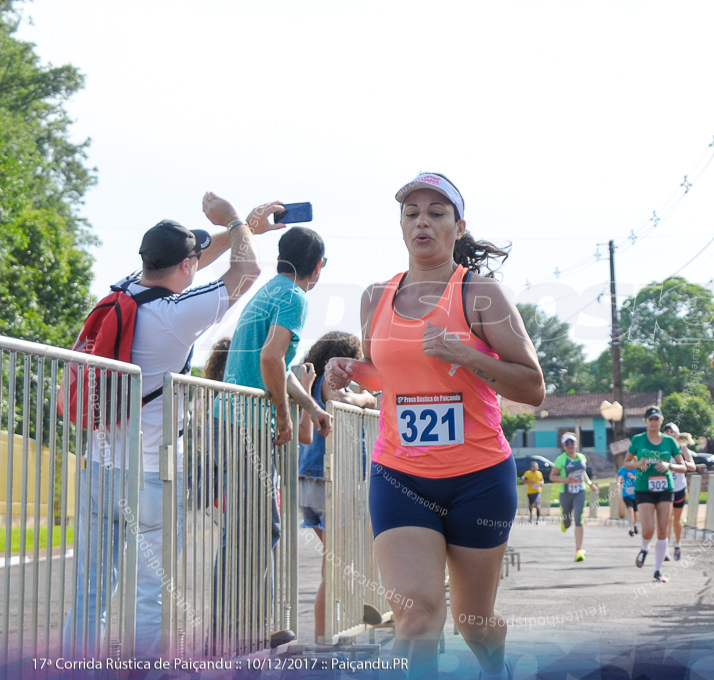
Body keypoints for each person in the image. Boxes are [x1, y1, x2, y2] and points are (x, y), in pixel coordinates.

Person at [325, 172, 545, 680]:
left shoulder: (481, 294)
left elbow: (532, 388)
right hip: (400, 475)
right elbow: (392, 379)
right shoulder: (374, 296)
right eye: (411, 213)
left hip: (478, 479)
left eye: (436, 212)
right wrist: (350, 373)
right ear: (401, 226)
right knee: (416, 615)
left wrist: (464, 354)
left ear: (458, 225)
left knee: (475, 624)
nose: (422, 220)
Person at [63, 193, 285, 659]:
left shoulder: (125, 292)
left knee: (89, 588)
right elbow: (246, 273)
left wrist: (245, 229)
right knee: (149, 589)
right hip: (150, 474)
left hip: (98, 465)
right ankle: (142, 669)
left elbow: (196, 259)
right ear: (187, 265)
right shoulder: (175, 316)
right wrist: (233, 220)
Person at [213, 226, 333, 651]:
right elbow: (270, 358)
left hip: (233, 419)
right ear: (317, 267)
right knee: (259, 527)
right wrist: (285, 414)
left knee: (249, 527)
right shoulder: (295, 297)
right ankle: (240, 629)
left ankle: (241, 625)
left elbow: (278, 365)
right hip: (250, 424)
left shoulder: (270, 290)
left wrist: (311, 407)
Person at [294, 331, 376, 641]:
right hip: (330, 476)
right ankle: (326, 640)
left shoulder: (309, 381)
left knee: (336, 566)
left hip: (313, 476)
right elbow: (341, 398)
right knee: (338, 568)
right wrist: (367, 398)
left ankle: (331, 637)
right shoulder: (332, 380)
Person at [624, 406, 687, 583]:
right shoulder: (638, 440)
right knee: (648, 528)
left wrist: (670, 466)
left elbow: (684, 467)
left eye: (656, 419)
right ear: (645, 421)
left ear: (661, 420)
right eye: (650, 419)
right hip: (644, 488)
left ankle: (657, 571)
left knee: (662, 530)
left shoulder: (670, 442)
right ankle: (644, 548)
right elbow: (626, 462)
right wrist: (637, 464)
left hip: (665, 488)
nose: (653, 422)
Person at [549, 432, 600, 562]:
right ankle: (565, 522)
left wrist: (590, 484)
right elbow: (552, 477)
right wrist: (566, 479)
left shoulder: (582, 457)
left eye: (572, 442)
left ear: (576, 444)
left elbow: (582, 472)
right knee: (567, 520)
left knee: (579, 517)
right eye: (567, 443)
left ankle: (578, 551)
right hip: (565, 492)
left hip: (580, 492)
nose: (570, 445)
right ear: (564, 446)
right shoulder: (561, 459)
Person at [662, 424, 697, 560]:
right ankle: (665, 549)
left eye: (672, 432)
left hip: (679, 488)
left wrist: (679, 464)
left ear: (677, 434)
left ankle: (677, 544)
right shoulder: (661, 449)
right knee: (666, 520)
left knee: (676, 520)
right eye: (667, 432)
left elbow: (692, 466)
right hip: (665, 488)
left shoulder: (682, 449)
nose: (669, 434)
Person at [616, 465, 638, 537]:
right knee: (630, 509)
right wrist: (618, 483)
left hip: (635, 493)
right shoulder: (623, 469)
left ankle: (635, 525)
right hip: (626, 493)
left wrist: (633, 477)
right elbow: (618, 477)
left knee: (635, 512)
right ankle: (631, 528)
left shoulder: (637, 468)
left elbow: (640, 479)